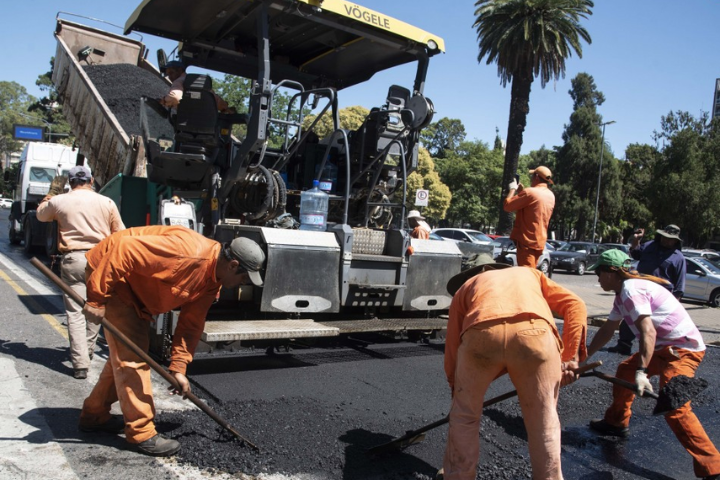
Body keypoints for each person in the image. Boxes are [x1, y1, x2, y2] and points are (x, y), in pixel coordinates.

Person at [77, 226, 266, 457]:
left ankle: (94, 415)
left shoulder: (211, 280)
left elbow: (191, 325)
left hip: (137, 293)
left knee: (125, 354)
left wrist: (178, 367)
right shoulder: (187, 253)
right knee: (133, 358)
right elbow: (124, 249)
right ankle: (142, 433)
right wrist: (96, 298)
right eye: (244, 277)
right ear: (233, 265)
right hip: (114, 277)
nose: (243, 283)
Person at [441, 253, 587, 480]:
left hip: (481, 334)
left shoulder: (466, 287)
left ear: (474, 273)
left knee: (465, 417)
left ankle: (458, 476)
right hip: (535, 335)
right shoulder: (530, 273)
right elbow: (575, 305)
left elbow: (453, 345)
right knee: (544, 421)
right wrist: (570, 358)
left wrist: (456, 388)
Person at [586, 249, 720, 480]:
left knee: (674, 407)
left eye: (599, 272)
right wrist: (583, 357)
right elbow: (608, 330)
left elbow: (648, 332)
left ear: (611, 272)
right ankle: (616, 422)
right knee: (624, 371)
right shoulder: (622, 294)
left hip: (682, 351)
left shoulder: (631, 290)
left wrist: (642, 372)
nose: (597, 278)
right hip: (664, 348)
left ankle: (713, 467)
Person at [36, 165, 125, 379]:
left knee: (75, 313)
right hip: (101, 260)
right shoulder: (107, 202)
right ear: (91, 181)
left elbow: (41, 216)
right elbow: (120, 233)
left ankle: (80, 364)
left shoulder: (59, 201)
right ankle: (89, 350)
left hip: (73, 259)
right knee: (96, 307)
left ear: (69, 181)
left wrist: (49, 196)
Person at [607, 224, 686, 355]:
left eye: (670, 238)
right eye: (664, 237)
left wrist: (675, 303)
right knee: (631, 316)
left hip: (659, 298)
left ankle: (653, 352)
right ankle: (624, 344)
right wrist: (636, 239)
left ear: (676, 241)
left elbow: (679, 285)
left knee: (653, 324)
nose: (666, 240)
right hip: (639, 290)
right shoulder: (650, 246)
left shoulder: (678, 258)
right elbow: (635, 253)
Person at [503, 166, 555, 269]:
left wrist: (513, 189)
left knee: (527, 275)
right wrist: (521, 193)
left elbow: (507, 206)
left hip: (527, 242)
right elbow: (533, 208)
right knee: (532, 271)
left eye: (532, 176)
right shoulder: (550, 195)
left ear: (536, 177)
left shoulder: (530, 192)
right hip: (539, 241)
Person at [158, 60, 234, 113]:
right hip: (207, 128)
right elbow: (216, 100)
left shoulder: (179, 81)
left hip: (184, 127)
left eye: (171, 73)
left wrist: (163, 101)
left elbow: (175, 98)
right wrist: (226, 109)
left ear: (180, 70)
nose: (170, 77)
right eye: (168, 74)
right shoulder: (203, 85)